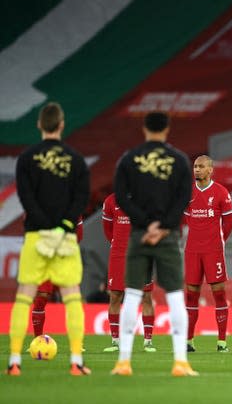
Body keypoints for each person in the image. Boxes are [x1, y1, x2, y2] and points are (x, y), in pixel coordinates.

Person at [7, 102, 90, 376]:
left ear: (39, 125)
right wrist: (62, 226)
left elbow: (26, 198)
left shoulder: (27, 158)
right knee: (72, 297)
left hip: (35, 236)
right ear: (62, 125)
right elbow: (80, 199)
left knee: (24, 298)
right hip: (65, 238)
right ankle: (76, 362)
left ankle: (14, 363)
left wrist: (44, 226)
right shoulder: (76, 159)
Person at [110, 111, 196, 376]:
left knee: (133, 294)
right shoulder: (179, 160)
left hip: (139, 234)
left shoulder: (130, 158)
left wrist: (144, 223)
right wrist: (164, 226)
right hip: (168, 235)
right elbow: (184, 197)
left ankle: (123, 362)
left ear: (144, 128)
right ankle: (181, 362)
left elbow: (120, 197)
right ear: (167, 129)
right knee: (174, 296)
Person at [183, 155, 232, 353]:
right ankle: (188, 341)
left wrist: (217, 242)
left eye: (201, 166)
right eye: (195, 166)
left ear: (210, 170)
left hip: (213, 251)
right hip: (192, 250)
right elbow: (187, 219)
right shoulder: (188, 192)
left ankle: (222, 342)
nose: (197, 170)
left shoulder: (221, 192)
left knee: (219, 294)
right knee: (191, 295)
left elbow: (228, 224)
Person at [102, 192, 156, 353]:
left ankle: (148, 341)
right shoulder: (110, 201)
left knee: (146, 296)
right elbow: (108, 230)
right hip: (118, 255)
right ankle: (115, 341)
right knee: (115, 296)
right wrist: (119, 244)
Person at [31, 218, 84, 337]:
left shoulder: (73, 206)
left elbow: (79, 233)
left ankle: (76, 342)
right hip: (46, 258)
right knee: (41, 298)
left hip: (64, 258)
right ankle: (37, 339)